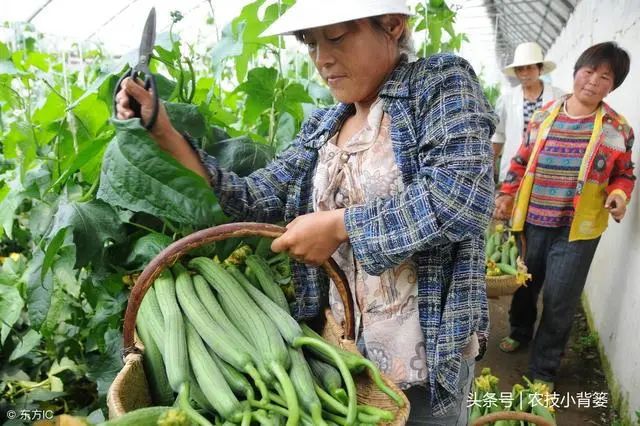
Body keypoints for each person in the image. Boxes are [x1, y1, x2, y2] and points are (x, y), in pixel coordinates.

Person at [115, 0, 497, 423]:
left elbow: (462, 196)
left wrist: (341, 225)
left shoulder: (438, 84)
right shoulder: (324, 125)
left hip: (425, 354)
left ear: (392, 25)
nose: (323, 58)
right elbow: (253, 198)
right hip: (343, 351)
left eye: (335, 37)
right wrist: (164, 131)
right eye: (310, 43)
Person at [494, 41, 634, 390]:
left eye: (605, 77)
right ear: (576, 72)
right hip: (530, 222)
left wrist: (618, 195)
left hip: (576, 231)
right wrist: (507, 195)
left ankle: (543, 370)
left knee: (559, 299)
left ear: (612, 86)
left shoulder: (616, 128)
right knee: (525, 287)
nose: (593, 81)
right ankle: (520, 331)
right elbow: (521, 160)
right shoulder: (544, 116)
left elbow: (624, 174)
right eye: (589, 71)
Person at [492, 42, 564, 184]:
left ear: (540, 69)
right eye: (520, 69)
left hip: (547, 166)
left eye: (530, 68)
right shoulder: (506, 100)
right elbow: (499, 133)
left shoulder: (559, 97)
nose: (525, 73)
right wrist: (491, 162)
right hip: (516, 167)